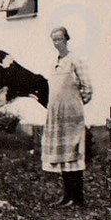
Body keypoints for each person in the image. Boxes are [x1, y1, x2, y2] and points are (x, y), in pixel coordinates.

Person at [41, 25, 94, 207]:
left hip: (72, 115)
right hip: (57, 116)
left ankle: (77, 198)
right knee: (63, 156)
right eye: (54, 40)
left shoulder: (75, 60)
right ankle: (67, 196)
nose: (57, 43)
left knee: (73, 153)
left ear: (66, 39)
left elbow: (87, 88)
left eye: (59, 39)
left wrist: (75, 105)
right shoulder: (55, 63)